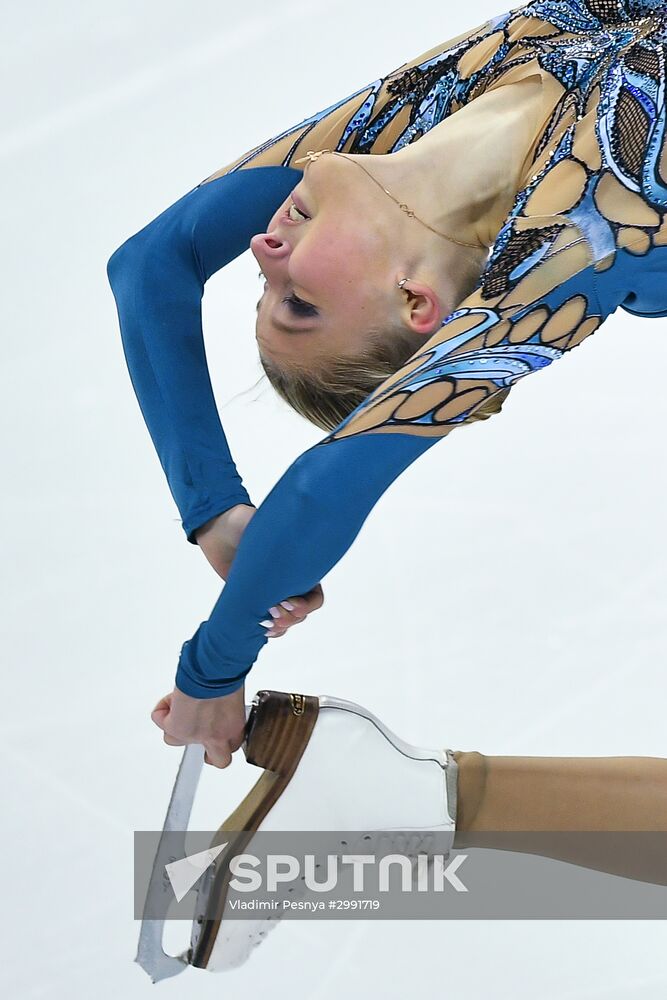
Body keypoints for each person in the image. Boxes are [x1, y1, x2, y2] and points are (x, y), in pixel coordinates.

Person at [107, 0, 667, 768]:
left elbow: (150, 264)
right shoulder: (569, 251)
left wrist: (211, 509)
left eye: (262, 285)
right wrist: (213, 670)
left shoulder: (412, 116)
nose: (263, 248)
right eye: (298, 304)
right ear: (417, 304)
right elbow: (325, 485)